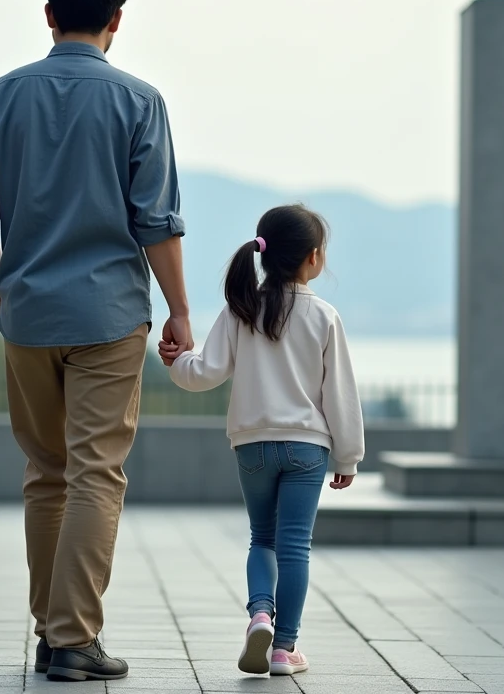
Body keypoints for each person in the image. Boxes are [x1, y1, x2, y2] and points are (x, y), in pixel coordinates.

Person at [0, 0, 192, 683]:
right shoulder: (139, 101)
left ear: (49, 14)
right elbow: (156, 221)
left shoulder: (1, 97)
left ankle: (52, 634)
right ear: (117, 20)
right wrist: (180, 310)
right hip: (111, 315)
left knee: (45, 472)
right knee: (96, 474)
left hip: (27, 314)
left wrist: (0, 286)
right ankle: (74, 638)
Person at [159, 205, 365, 677]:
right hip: (306, 448)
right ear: (313, 258)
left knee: (261, 538)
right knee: (295, 546)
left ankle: (258, 615)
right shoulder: (324, 316)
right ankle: (284, 648)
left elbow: (203, 373)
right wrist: (348, 457)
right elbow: (340, 394)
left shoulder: (241, 309)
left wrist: (176, 360)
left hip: (251, 446)